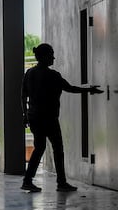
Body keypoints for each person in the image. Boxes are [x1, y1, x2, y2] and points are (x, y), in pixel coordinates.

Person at [21, 43, 103, 193]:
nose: (53, 57)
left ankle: (27, 180)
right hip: (49, 119)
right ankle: (61, 183)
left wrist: (25, 115)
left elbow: (23, 95)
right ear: (44, 57)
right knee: (58, 149)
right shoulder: (53, 75)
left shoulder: (29, 73)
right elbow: (71, 88)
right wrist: (90, 90)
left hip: (34, 117)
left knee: (39, 148)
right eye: (51, 54)